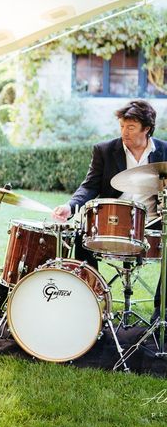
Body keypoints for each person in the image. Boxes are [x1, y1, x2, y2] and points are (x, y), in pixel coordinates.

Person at [52, 99, 167, 322]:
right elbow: (90, 185)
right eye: (122, 126)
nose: (124, 131)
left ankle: (161, 312)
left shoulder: (164, 151)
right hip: (114, 219)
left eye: (131, 127)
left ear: (147, 128)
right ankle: (92, 301)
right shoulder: (105, 150)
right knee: (80, 239)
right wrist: (70, 206)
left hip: (152, 221)